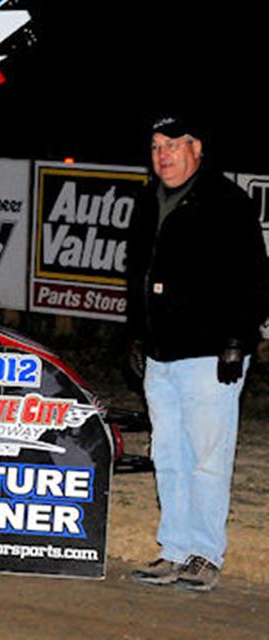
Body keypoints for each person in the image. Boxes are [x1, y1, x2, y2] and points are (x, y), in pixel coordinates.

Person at [126, 114, 269, 591]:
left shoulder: (226, 201)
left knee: (208, 454)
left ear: (197, 148)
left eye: (172, 144)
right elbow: (136, 276)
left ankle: (206, 554)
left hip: (210, 352)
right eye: (155, 146)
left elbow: (253, 277)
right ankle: (174, 550)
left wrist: (237, 339)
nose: (162, 155)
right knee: (167, 453)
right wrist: (136, 335)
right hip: (161, 352)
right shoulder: (148, 202)